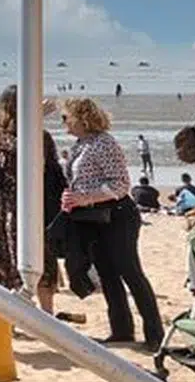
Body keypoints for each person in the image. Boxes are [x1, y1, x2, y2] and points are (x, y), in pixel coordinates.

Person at [60, 98, 163, 347]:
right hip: (92, 216)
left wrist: (85, 197)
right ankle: (122, 329)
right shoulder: (80, 145)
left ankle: (154, 333)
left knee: (130, 271)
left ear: (81, 117)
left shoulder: (104, 142)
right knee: (106, 273)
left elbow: (120, 184)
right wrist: (73, 197)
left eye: (66, 117)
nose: (63, 122)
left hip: (117, 214)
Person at [0, 86, 70, 318]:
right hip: (11, 201)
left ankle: (48, 314)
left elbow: (50, 166)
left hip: (38, 199)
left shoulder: (41, 134)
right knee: (10, 253)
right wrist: (32, 120)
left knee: (42, 253)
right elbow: (18, 148)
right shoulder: (1, 131)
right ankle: (12, 314)